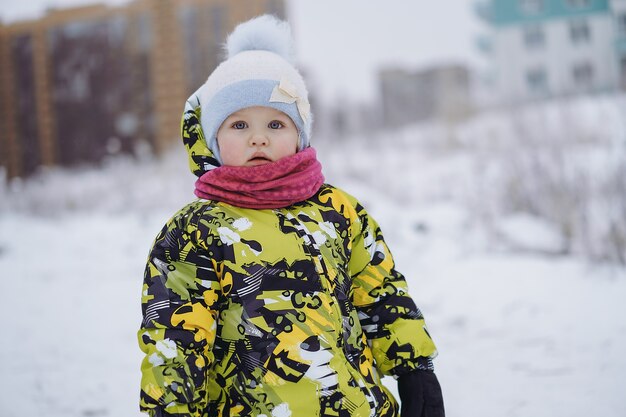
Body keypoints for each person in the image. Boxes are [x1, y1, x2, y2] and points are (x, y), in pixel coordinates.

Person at [138, 15, 444, 417]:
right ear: (213, 139)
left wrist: (414, 366)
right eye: (239, 124)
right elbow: (175, 337)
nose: (258, 137)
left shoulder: (339, 211)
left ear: (300, 134)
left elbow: (382, 293)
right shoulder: (195, 230)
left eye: (276, 123)